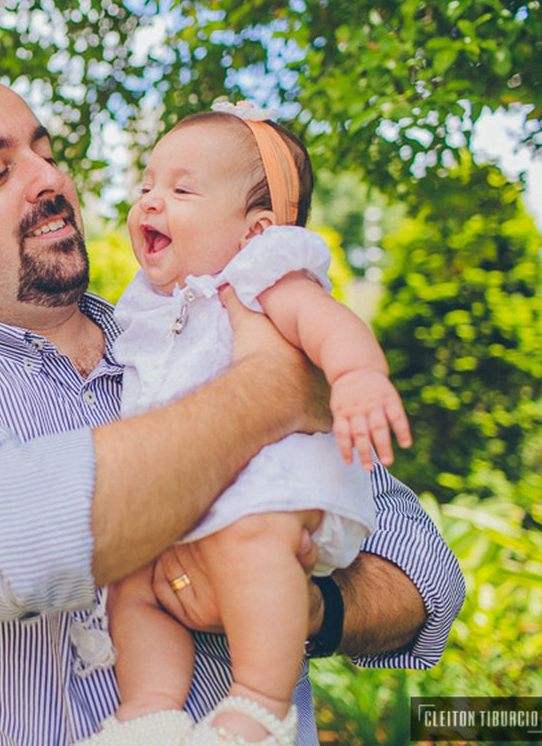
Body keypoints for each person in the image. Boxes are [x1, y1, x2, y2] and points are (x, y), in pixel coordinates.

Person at [0, 72, 463, 745]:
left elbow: (424, 572)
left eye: (46, 151)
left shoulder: (204, 336)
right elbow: (10, 544)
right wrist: (269, 391)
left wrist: (300, 605)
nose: (49, 179)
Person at [80, 103, 413, 746]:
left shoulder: (262, 275)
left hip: (270, 492)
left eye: (181, 189)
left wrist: (357, 378)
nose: (151, 201)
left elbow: (327, 322)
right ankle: (151, 708)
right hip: (180, 500)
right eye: (147, 184)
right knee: (132, 577)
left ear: (256, 230)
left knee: (252, 543)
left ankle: (261, 704)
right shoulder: (144, 304)